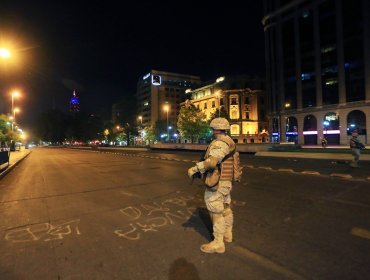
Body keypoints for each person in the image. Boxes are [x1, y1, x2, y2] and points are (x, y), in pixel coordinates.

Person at [187, 117, 235, 254]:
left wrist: (195, 169)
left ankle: (218, 243)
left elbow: (211, 162)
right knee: (225, 207)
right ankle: (227, 234)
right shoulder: (229, 141)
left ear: (215, 129)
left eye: (212, 128)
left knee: (216, 212)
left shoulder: (220, 143)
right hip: (226, 182)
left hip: (218, 183)